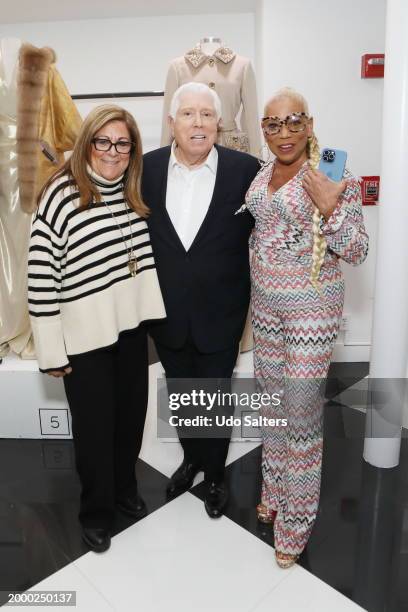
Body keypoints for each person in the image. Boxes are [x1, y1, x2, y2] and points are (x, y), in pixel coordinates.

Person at [28, 105, 166, 553]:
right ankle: (96, 513)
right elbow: (41, 274)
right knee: (93, 434)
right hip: (85, 339)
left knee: (129, 423)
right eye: (103, 141)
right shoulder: (60, 194)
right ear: (87, 143)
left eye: (122, 143)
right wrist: (51, 351)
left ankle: (125, 492)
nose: (113, 151)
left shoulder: (131, 192)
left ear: (133, 150)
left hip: (128, 332)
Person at [245, 87, 368, 568]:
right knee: (273, 408)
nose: (284, 132)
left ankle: (295, 522)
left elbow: (356, 249)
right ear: (264, 130)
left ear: (310, 124)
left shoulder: (333, 175)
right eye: (274, 124)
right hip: (266, 309)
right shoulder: (261, 172)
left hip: (311, 311)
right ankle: (273, 491)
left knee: (301, 418)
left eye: (294, 121)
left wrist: (331, 207)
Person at [142, 82, 259, 517]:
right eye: (187, 114)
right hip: (166, 312)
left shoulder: (248, 170)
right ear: (171, 123)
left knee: (215, 392)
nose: (197, 122)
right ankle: (190, 460)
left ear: (219, 124)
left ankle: (214, 474)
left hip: (222, 312)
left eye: (206, 115)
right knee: (182, 393)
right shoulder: (145, 169)